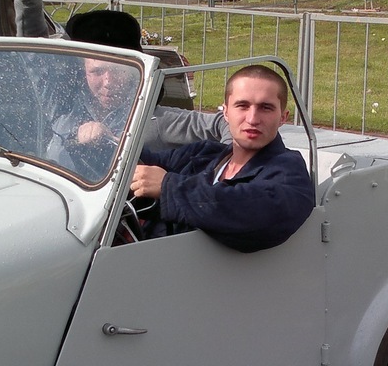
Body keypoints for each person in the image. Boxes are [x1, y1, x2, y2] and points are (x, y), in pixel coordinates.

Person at [13, 0, 229, 158]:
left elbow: (226, 124)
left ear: (137, 70)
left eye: (118, 70)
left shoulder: (154, 120)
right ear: (81, 69)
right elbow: (34, 51)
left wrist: (212, 173)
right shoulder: (61, 106)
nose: (108, 82)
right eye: (97, 71)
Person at [129, 64, 314, 253]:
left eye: (265, 108)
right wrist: (111, 141)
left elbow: (251, 210)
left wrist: (169, 187)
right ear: (225, 112)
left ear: (283, 117)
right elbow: (143, 162)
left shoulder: (290, 173)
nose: (252, 119)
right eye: (242, 106)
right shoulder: (203, 154)